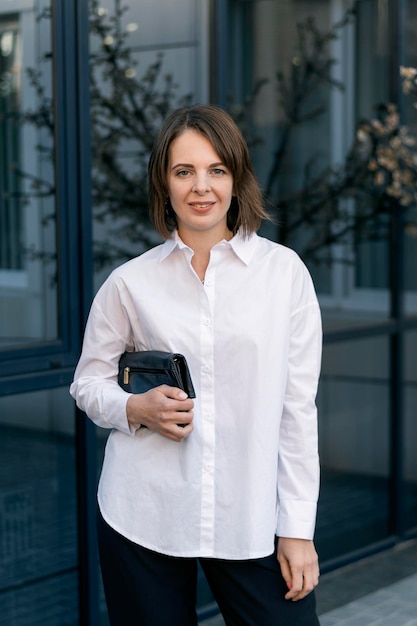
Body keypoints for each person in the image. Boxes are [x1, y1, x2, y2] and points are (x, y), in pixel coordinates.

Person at [70, 104, 322, 626]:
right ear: (165, 184)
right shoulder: (130, 282)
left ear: (236, 179)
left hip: (251, 516)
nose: (201, 187)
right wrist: (135, 406)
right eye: (184, 172)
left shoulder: (284, 275)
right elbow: (88, 384)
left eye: (216, 170)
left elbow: (297, 410)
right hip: (144, 511)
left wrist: (297, 528)